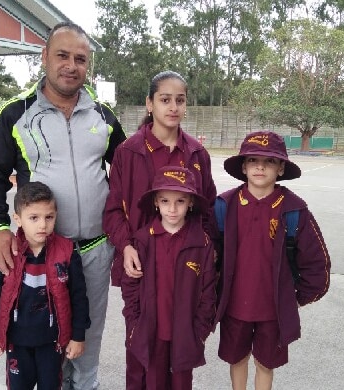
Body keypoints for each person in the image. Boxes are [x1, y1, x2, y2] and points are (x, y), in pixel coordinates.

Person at [0, 22, 126, 390]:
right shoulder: (16, 115)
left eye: (80, 59)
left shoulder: (103, 116)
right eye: (62, 55)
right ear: (44, 58)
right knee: (40, 343)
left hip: (93, 251)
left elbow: (129, 171)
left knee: (85, 339)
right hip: (39, 255)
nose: (71, 65)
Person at [214, 131, 331, 390]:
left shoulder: (293, 211)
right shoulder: (224, 206)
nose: (260, 166)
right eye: (253, 160)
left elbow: (316, 262)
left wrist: (295, 297)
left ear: (280, 169)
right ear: (243, 166)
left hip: (273, 311)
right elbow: (207, 254)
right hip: (234, 307)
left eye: (269, 161)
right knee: (238, 358)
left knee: (266, 364)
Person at [104, 70, 217, 287]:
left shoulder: (197, 153)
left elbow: (209, 208)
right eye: (165, 100)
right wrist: (126, 246)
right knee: (142, 320)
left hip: (188, 263)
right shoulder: (127, 152)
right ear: (150, 103)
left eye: (180, 100)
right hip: (141, 261)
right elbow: (113, 209)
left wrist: (208, 247)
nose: (173, 107)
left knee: (188, 320)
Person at [0, 181, 90, 389]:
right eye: (34, 218)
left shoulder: (67, 252)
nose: (42, 225)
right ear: (18, 219)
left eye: (48, 217)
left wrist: (78, 336)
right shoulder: (8, 252)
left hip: (51, 344)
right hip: (17, 343)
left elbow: (79, 298)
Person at [121, 166, 217, 390]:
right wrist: (135, 324)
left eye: (180, 201)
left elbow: (208, 292)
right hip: (150, 332)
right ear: (156, 202)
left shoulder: (201, 243)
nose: (172, 209)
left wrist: (199, 332)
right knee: (150, 382)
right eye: (165, 201)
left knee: (181, 384)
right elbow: (130, 286)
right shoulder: (143, 239)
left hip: (184, 334)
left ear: (191, 202)